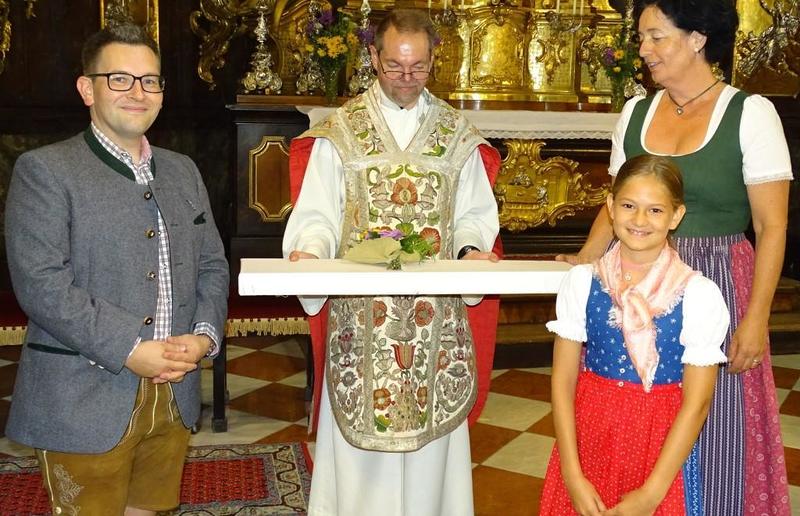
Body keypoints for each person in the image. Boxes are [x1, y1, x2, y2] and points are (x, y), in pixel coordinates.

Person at [558, 0, 794, 513]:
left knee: (714, 418)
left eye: (656, 36)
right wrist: (586, 259)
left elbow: (771, 225)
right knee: (635, 409)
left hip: (719, 281)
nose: (643, 49)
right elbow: (617, 204)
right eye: (642, 37)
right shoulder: (636, 112)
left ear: (697, 38)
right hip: (634, 279)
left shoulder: (749, 114)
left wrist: (756, 317)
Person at [4, 23, 229, 516]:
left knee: (148, 509)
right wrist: (130, 348)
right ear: (87, 89)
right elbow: (42, 285)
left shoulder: (183, 169)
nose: (137, 92)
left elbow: (212, 264)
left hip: (175, 390)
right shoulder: (46, 171)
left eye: (150, 81)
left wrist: (203, 337)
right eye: (120, 79)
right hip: (83, 393)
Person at [283, 8, 501, 516]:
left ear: (433, 60)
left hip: (434, 318)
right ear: (373, 56)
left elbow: (473, 214)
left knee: (431, 459)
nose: (406, 77)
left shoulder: (455, 132)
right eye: (395, 66)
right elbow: (318, 214)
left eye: (418, 67)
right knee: (362, 457)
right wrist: (310, 251)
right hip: (362, 317)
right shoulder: (342, 131)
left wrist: (470, 249)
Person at [541, 154, 729, 515]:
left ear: (676, 216)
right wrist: (572, 474)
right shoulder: (582, 282)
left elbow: (698, 403)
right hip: (589, 437)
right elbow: (562, 381)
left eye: (655, 210)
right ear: (611, 206)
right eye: (628, 205)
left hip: (658, 447)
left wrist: (651, 494)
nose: (640, 220)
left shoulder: (698, 294)